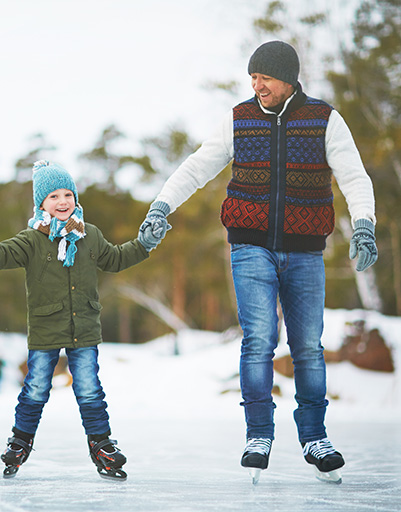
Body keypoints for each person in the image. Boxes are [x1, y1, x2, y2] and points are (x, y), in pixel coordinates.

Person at [140, 40, 377, 482]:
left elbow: (353, 174)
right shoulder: (240, 119)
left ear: (287, 78)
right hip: (249, 245)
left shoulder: (325, 120)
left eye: (264, 77)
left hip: (306, 249)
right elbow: (197, 166)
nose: (256, 85)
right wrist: (160, 206)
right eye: (252, 77)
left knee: (307, 345)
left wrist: (363, 223)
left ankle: (314, 437)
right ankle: (258, 433)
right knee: (260, 337)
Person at [0, 159, 162, 480]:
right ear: (41, 203)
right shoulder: (32, 240)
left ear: (76, 198)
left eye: (67, 195)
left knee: (89, 389)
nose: (62, 202)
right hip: (46, 329)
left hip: (85, 327)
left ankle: (101, 444)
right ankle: (20, 442)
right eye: (54, 197)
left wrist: (145, 243)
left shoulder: (90, 235)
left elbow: (116, 258)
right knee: (35, 389)